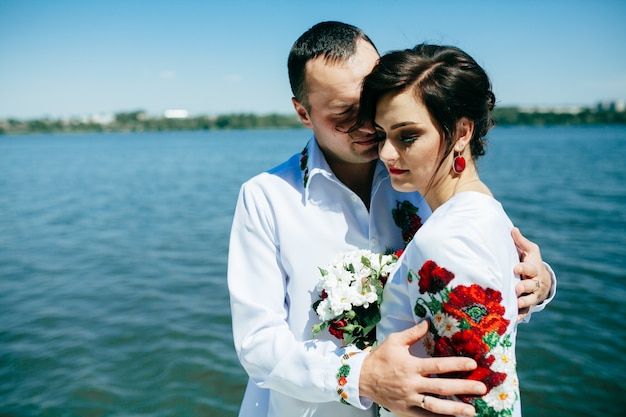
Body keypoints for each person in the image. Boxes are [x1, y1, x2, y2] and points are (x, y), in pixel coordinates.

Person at [227, 22, 555, 417]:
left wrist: (540, 282)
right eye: (345, 114)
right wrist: (360, 377)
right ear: (303, 112)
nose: (369, 126)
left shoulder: (422, 170)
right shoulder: (267, 197)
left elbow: (477, 261)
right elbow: (257, 343)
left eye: (373, 105)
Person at [354, 43, 540, 416]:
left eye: (407, 136)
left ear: (461, 131)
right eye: (381, 135)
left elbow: (479, 396)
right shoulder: (489, 213)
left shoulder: (445, 238)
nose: (387, 154)